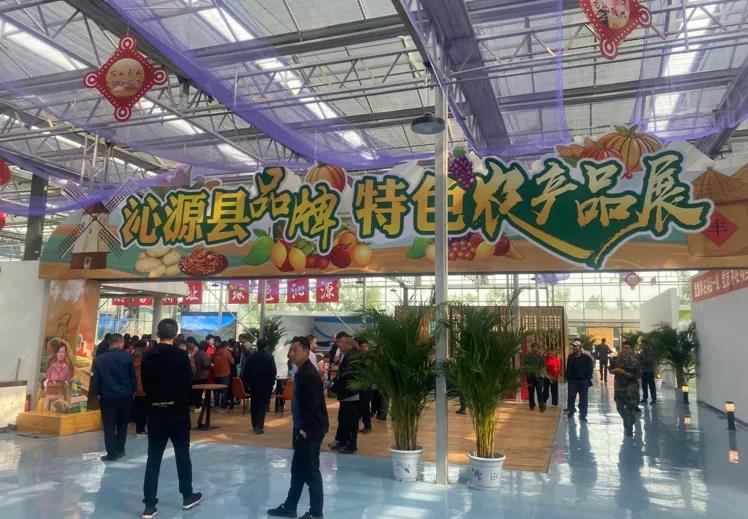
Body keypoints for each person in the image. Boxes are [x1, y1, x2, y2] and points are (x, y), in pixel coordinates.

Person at [141, 319, 202, 519]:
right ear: (175, 334)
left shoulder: (148, 355)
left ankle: (149, 505)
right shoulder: (180, 355)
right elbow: (186, 382)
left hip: (155, 413)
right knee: (182, 456)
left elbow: (146, 383)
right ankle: (187, 496)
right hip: (177, 413)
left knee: (153, 459)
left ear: (158, 333)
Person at [267, 336, 328, 519]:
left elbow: (313, 406)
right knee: (298, 469)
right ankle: (290, 506)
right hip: (302, 428)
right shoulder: (302, 371)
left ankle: (316, 513)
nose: (291, 354)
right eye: (290, 350)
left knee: (311, 472)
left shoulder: (309, 374)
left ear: (306, 352)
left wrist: (305, 430)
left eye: (295, 350)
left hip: (310, 430)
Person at [92, 333, 136, 461]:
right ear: (119, 343)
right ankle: (120, 449)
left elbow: (96, 380)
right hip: (125, 396)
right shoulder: (128, 357)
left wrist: (98, 393)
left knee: (109, 425)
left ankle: (111, 453)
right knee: (122, 424)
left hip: (107, 397)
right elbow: (133, 378)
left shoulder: (100, 359)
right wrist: (132, 391)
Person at [329, 333, 360, 454]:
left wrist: (334, 386)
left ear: (349, 344)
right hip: (345, 394)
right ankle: (343, 441)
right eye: (338, 342)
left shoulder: (352, 356)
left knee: (350, 421)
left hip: (350, 394)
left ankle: (351, 445)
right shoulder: (345, 355)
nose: (339, 345)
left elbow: (347, 377)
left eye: (342, 342)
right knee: (343, 420)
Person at [241, 338, 277, 434]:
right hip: (265, 385)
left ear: (257, 346)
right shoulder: (269, 357)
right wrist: (272, 383)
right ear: (266, 347)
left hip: (253, 384)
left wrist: (247, 384)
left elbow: (245, 372)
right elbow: (273, 372)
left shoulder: (251, 358)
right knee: (263, 404)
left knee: (254, 404)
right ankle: (259, 425)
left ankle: (254, 424)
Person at [610, 343, 641, 437]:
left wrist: (623, 372)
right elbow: (610, 370)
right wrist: (616, 370)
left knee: (630, 409)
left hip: (631, 389)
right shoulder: (615, 360)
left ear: (631, 350)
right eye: (624, 348)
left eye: (627, 348)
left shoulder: (635, 362)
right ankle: (628, 421)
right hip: (619, 388)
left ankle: (629, 429)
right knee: (619, 408)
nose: (625, 350)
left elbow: (638, 376)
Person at [566, 341, 594, 421]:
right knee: (571, 397)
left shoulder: (586, 357)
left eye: (576, 346)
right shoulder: (570, 357)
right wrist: (568, 377)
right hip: (572, 381)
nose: (574, 348)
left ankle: (583, 414)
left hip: (583, 381)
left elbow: (590, 368)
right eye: (573, 346)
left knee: (583, 399)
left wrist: (587, 379)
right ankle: (571, 410)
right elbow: (568, 368)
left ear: (580, 347)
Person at [355, 337, 373, 433]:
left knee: (365, 406)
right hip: (359, 384)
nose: (364, 348)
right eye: (362, 347)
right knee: (360, 406)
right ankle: (363, 425)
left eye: (366, 346)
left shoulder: (370, 358)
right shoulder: (358, 357)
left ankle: (368, 426)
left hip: (367, 385)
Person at [523, 342, 547, 412]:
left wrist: (542, 374)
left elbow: (543, 367)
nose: (534, 349)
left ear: (538, 348)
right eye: (533, 347)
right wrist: (529, 369)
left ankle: (541, 406)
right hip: (530, 377)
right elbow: (524, 365)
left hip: (539, 378)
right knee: (531, 392)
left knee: (539, 392)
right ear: (531, 348)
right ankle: (532, 405)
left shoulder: (540, 357)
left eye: (536, 347)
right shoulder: (528, 357)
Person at [211, 342, 235, 410]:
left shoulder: (215, 352)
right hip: (225, 373)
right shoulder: (227, 352)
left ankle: (216, 405)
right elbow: (232, 362)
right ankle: (222, 407)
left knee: (216, 390)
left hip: (216, 374)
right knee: (224, 391)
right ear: (225, 346)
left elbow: (211, 360)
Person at [133, 344, 148, 435]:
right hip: (144, 390)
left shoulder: (131, 365)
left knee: (138, 410)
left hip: (135, 390)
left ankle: (139, 429)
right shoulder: (145, 365)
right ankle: (142, 429)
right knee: (144, 411)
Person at [637, 339, 657, 405]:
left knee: (651, 385)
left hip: (650, 371)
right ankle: (645, 398)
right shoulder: (642, 352)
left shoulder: (651, 352)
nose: (643, 346)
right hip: (643, 371)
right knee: (644, 385)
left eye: (644, 345)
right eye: (642, 345)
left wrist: (655, 371)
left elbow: (652, 361)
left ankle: (653, 399)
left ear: (647, 345)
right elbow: (639, 361)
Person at [192, 341, 211, 410]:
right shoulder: (203, 354)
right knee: (200, 392)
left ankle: (197, 405)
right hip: (202, 375)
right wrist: (210, 364)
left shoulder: (196, 353)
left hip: (196, 375)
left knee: (197, 392)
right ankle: (198, 406)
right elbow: (206, 364)